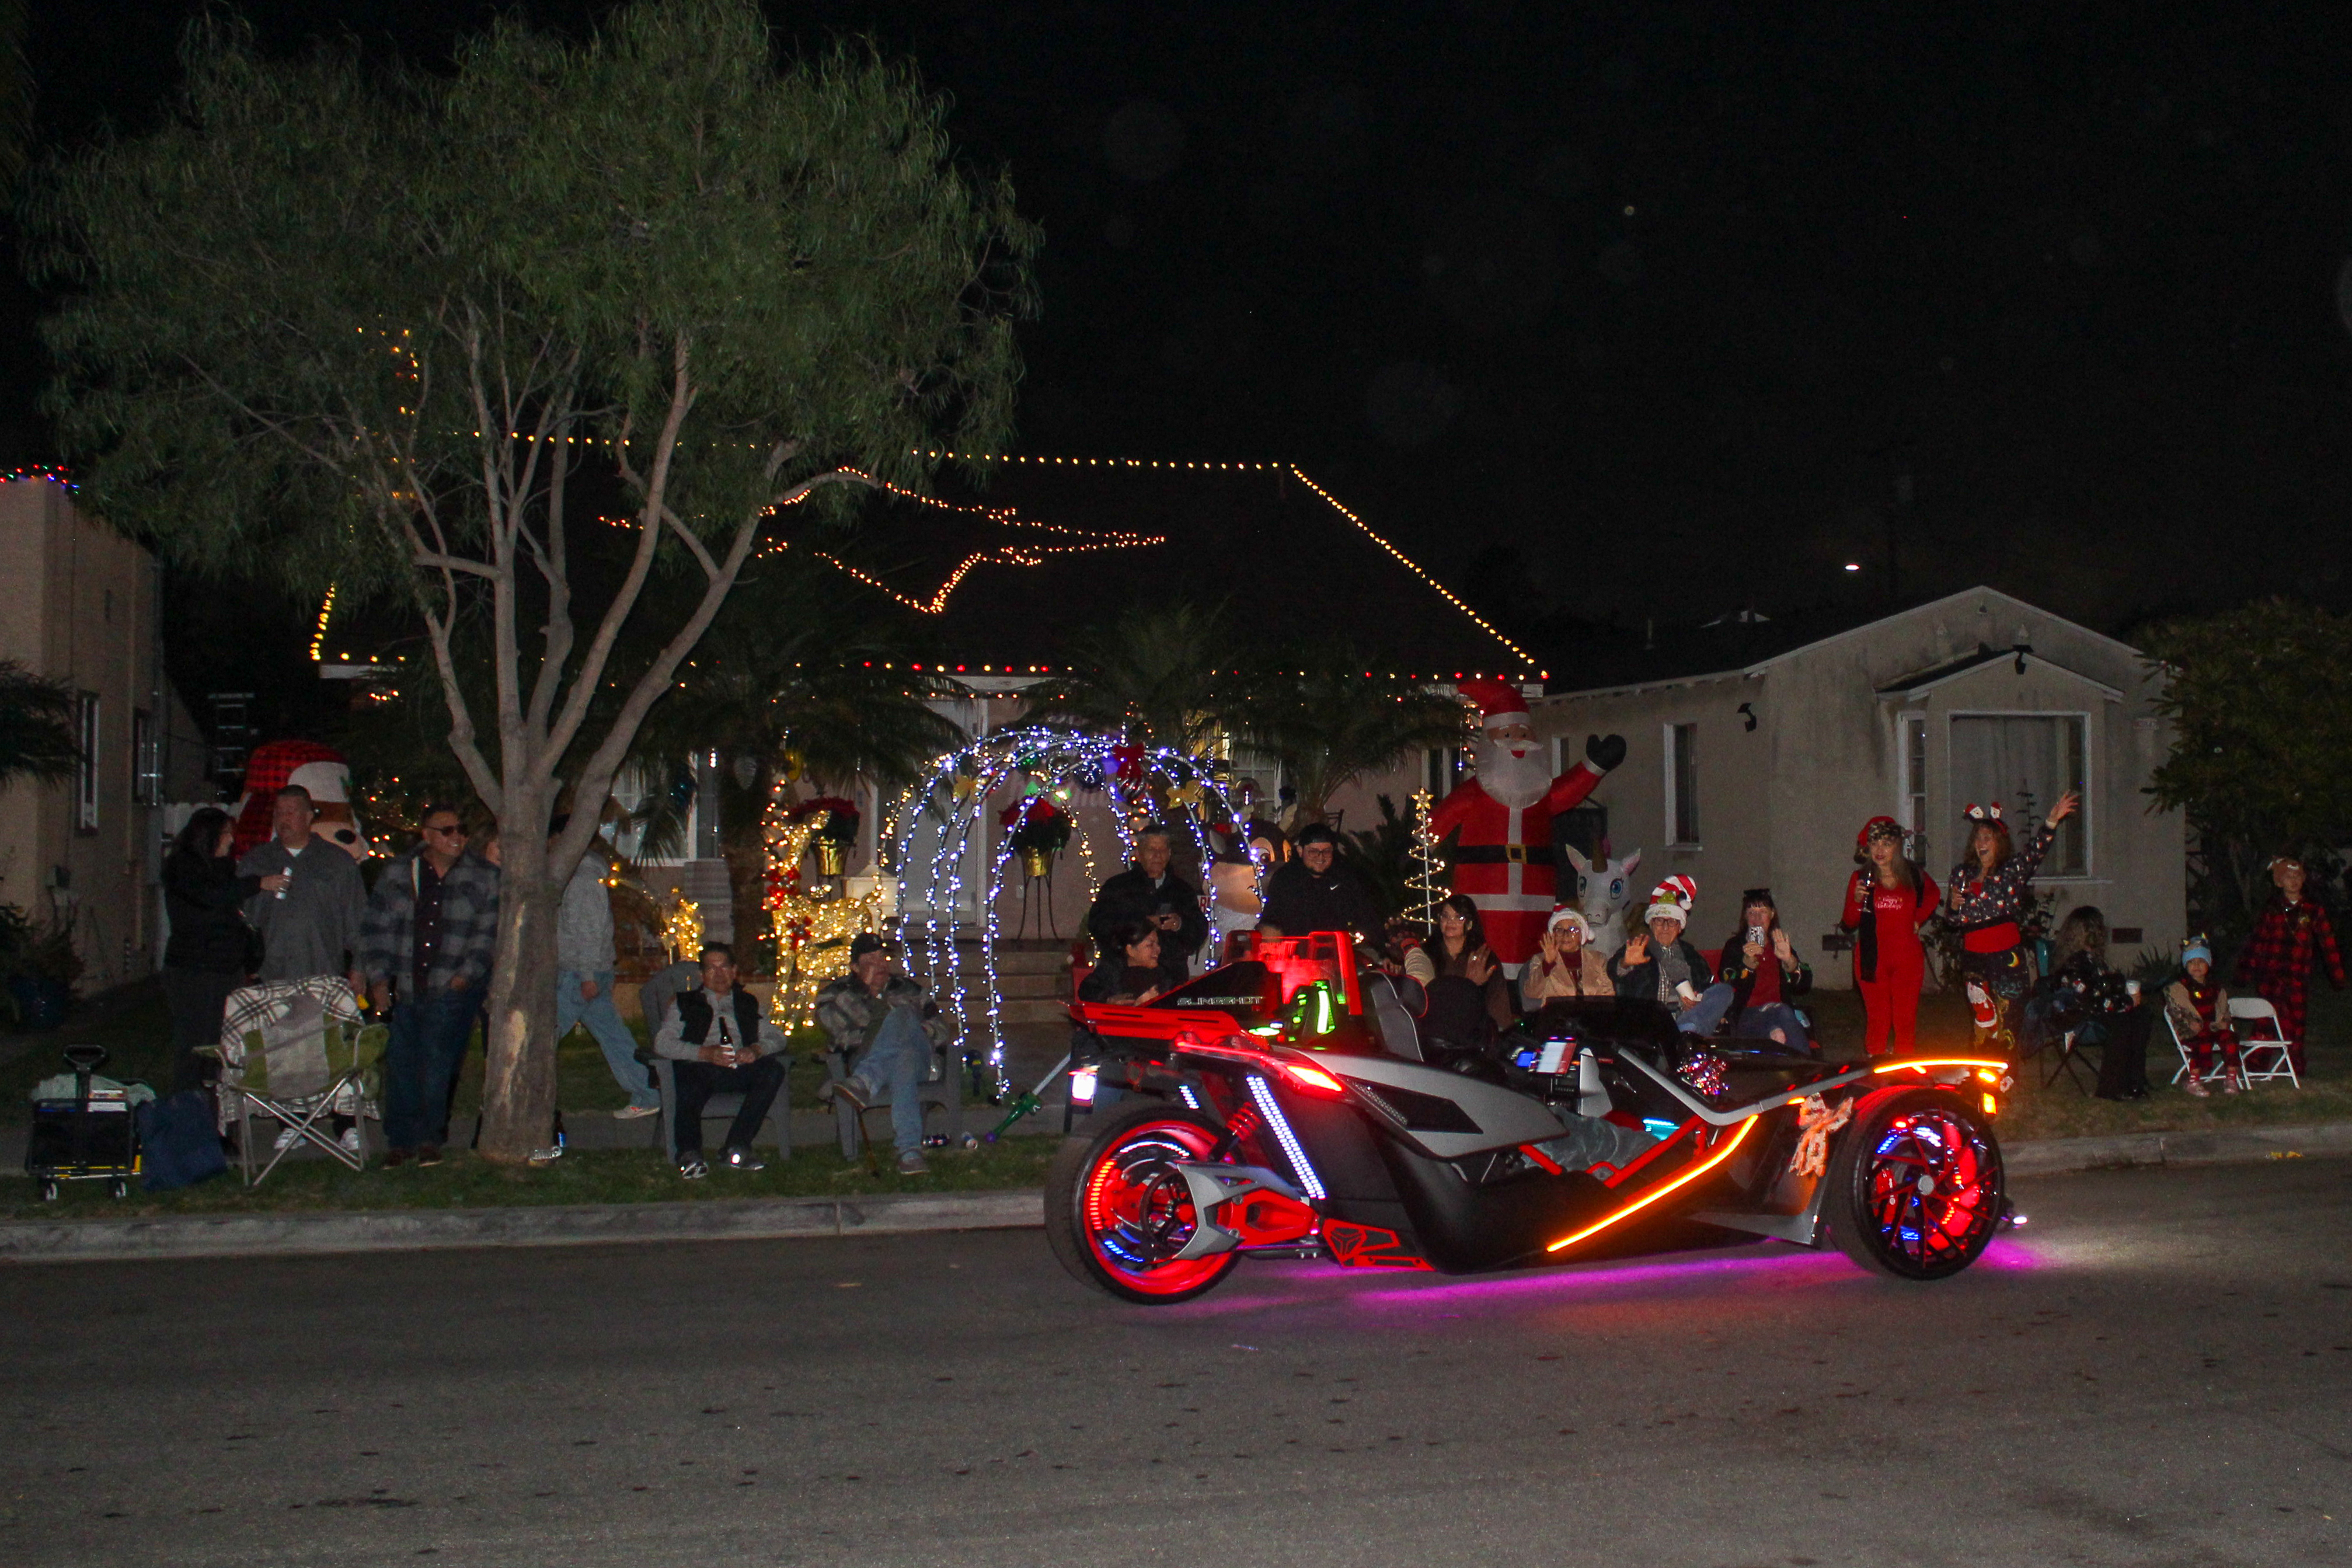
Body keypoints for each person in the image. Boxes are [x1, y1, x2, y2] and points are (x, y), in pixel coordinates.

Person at [1427, 679, 1623, 973]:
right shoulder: (1472, 794)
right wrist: (1421, 843)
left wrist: (1596, 764)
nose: (1516, 742)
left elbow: (1569, 790)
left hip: (1536, 893)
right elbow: (1435, 825)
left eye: (1522, 734)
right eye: (1506, 734)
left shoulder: (1541, 795)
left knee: (1533, 957)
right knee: (1483, 955)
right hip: (1482, 893)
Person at [357, 803, 501, 1167]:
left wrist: (463, 976)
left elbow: (488, 933)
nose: (457, 837)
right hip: (405, 984)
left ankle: (429, 1138)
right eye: (447, 830)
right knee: (401, 1063)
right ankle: (400, 1139)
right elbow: (377, 927)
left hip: (451, 987)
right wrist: (377, 977)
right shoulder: (399, 872)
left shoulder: (482, 876)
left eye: (461, 830)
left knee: (439, 1063)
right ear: (427, 835)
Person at [1944, 793, 2079, 1057]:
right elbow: (1952, 922)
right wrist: (1953, 905)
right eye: (1978, 838)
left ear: (1999, 843)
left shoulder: (2012, 870)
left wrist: (2052, 820)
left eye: (1988, 838)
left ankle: (2005, 1074)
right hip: (1974, 957)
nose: (1981, 843)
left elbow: (2036, 850)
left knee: (2008, 1019)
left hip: (2006, 957)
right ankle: (1982, 1072)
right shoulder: (1962, 873)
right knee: (1983, 1018)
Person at [162, 807, 283, 1096]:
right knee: (196, 1045)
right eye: (226, 833)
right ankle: (189, 1110)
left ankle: (217, 1110)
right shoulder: (183, 867)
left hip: (225, 970)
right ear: (209, 836)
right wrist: (258, 883)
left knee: (222, 1044)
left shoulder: (223, 868)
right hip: (194, 970)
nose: (231, 840)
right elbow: (211, 897)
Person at [815, 934, 952, 1175]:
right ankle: (910, 1153)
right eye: (870, 959)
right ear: (855, 967)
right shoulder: (835, 994)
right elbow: (838, 1033)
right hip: (863, 1060)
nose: (880, 964)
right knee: (903, 1059)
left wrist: (920, 1029)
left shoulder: (910, 989)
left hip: (922, 1061)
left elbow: (942, 1029)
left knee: (903, 1017)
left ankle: (864, 1081)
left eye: (882, 957)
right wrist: (864, 992)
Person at [553, 817, 660, 1120]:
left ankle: (525, 1097)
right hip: (587, 971)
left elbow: (588, 930)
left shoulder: (583, 879)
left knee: (543, 1036)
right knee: (613, 1035)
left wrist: (587, 976)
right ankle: (649, 1091)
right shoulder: (580, 875)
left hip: (579, 973)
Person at [652, 942, 790, 1176]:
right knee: (688, 1076)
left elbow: (777, 1037)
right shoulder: (684, 1004)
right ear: (702, 975)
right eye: (711, 969)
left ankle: (736, 1146)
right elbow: (663, 1043)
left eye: (724, 967)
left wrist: (756, 1050)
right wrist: (704, 1054)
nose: (719, 974)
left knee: (773, 1070)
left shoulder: (747, 1003)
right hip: (700, 1067)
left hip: (739, 1068)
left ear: (735, 971)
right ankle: (689, 1153)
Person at [238, 785, 368, 986]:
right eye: (279, 813)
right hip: (269, 977)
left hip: (322, 975)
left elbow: (357, 918)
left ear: (309, 816)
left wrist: (359, 969)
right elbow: (239, 917)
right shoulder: (257, 862)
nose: (284, 820)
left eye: (291, 812)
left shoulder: (337, 862)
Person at [2232, 854, 2343, 1075]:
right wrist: (2245, 971)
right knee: (2265, 1020)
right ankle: (2257, 1062)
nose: (2294, 881)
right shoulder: (2272, 909)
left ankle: (2294, 1063)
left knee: (2296, 1023)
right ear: (2280, 882)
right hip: (2270, 976)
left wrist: (2337, 975)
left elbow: (2327, 943)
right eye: (2288, 877)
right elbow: (2258, 940)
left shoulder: (2312, 910)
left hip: (2297, 977)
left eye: (2298, 876)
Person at [1839, 817, 1940, 1057]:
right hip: (1872, 959)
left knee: (1905, 1021)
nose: (1880, 850)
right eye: (1874, 844)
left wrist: (1918, 918)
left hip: (1907, 958)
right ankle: (1876, 1072)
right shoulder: (1861, 878)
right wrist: (1856, 900)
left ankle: (1904, 1073)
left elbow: (1933, 894)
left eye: (1886, 843)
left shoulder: (1912, 874)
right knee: (1879, 1020)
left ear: (1897, 846)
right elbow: (1849, 922)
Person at [2030, 906, 2151, 1099]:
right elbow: (2093, 1001)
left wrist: (2125, 996)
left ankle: (2134, 1081)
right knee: (2124, 1021)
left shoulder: (2092, 959)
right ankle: (2110, 1088)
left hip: (2093, 1011)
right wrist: (2127, 1002)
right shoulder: (2074, 964)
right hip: (2077, 1020)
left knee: (2142, 1015)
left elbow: (2102, 990)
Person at [1086, 825, 1208, 990]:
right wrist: (1141, 925)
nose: (1157, 856)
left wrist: (1179, 924)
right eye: (1151, 849)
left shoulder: (1182, 890)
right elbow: (1099, 925)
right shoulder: (1117, 887)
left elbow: (1198, 931)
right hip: (1125, 979)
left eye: (1163, 850)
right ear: (1138, 854)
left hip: (1170, 980)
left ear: (1169, 854)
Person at [1608, 877, 1732, 1035]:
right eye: (1660, 921)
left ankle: (1688, 1029)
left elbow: (1706, 986)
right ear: (1651, 924)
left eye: (1672, 922)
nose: (1665, 927)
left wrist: (1696, 1003)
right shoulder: (1639, 948)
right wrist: (1625, 963)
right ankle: (1687, 1032)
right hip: (1648, 1024)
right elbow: (1613, 970)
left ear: (1680, 928)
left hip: (1686, 1019)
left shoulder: (1690, 955)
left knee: (1724, 991)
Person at [1712, 888, 1814, 1050]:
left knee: (1779, 1035)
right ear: (1745, 917)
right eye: (1752, 912)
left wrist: (1789, 960)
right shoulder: (1735, 946)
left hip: (1779, 1017)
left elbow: (1804, 986)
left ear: (1772, 915)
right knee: (1783, 1012)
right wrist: (1746, 966)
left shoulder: (1778, 944)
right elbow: (1728, 983)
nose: (1757, 918)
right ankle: (1810, 1069)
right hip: (1747, 1017)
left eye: (1763, 912)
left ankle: (1796, 1067)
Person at [1257, 824, 1386, 946]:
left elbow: (1365, 914)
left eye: (1326, 852)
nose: (1320, 857)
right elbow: (1271, 922)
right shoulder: (1286, 879)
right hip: (1294, 955)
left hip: (1335, 953)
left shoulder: (1343, 877)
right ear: (1301, 851)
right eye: (1313, 852)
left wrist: (1382, 948)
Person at [1420, 894, 1513, 1051]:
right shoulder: (1426, 953)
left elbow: (1497, 1003)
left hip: (1471, 1036)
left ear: (1470, 924)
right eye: (1446, 916)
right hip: (1433, 1033)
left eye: (1459, 917)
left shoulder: (1484, 957)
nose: (1451, 922)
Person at [2164, 939, 2241, 1097]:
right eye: (2192, 962)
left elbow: (2223, 1008)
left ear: (2208, 964)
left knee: (2230, 1038)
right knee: (2202, 1040)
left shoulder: (2215, 987)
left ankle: (2232, 1077)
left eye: (2201, 962)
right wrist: (2190, 1023)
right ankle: (2194, 1080)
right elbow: (2179, 1010)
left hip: (2213, 1027)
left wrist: (2224, 1021)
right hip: (2193, 1029)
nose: (2197, 966)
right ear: (2186, 965)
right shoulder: (2180, 988)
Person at [1518, 906, 1610, 1005]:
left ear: (1582, 935)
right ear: (1553, 935)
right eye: (1559, 930)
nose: (1566, 935)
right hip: (1557, 1017)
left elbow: (1608, 996)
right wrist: (1547, 964)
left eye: (1573, 930)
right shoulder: (1541, 960)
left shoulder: (1598, 960)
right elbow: (1531, 993)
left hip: (1593, 1016)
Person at [1078, 922, 1168, 1004]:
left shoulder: (1164, 975)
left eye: (1158, 944)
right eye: (1150, 945)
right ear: (1130, 950)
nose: (1158, 950)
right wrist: (1109, 999)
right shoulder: (1111, 972)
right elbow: (1086, 991)